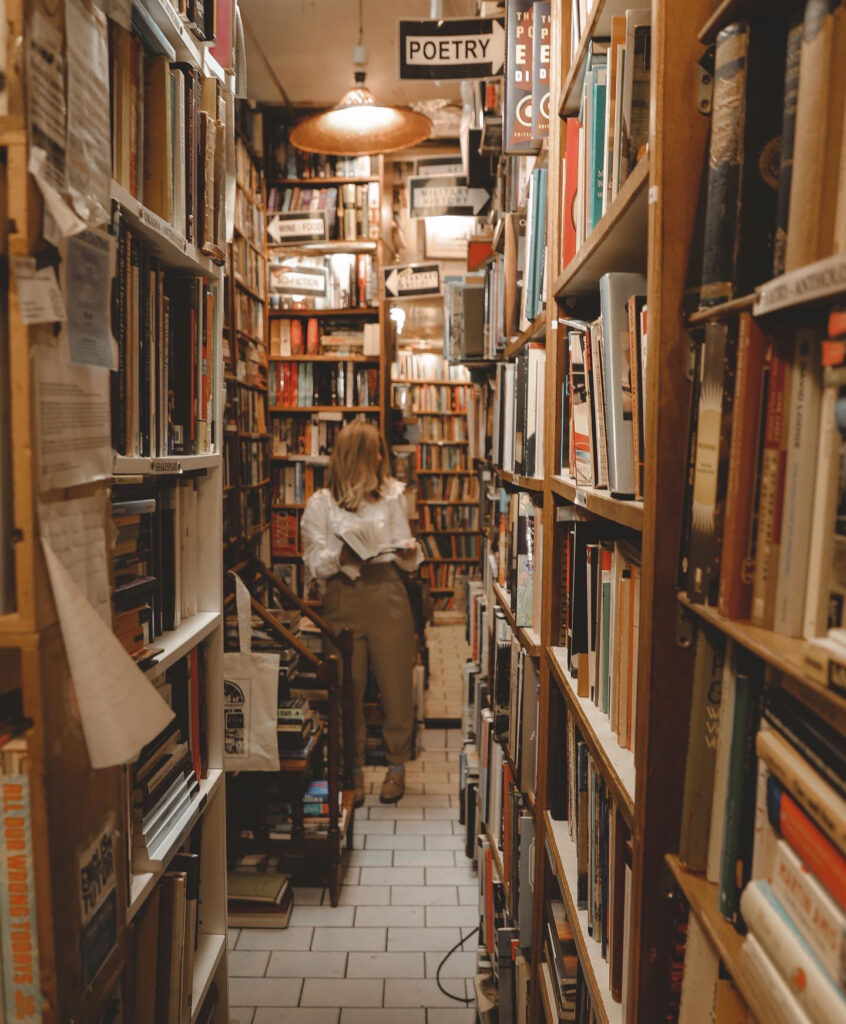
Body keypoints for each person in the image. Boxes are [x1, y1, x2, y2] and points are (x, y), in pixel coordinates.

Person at [301, 420, 422, 806]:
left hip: (387, 592)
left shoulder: (391, 496)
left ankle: (397, 767)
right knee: (346, 689)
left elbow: (410, 560)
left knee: (396, 686)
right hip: (342, 597)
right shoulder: (321, 503)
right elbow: (313, 561)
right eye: (377, 452)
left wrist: (408, 551)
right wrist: (342, 556)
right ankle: (349, 769)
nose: (383, 459)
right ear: (358, 457)